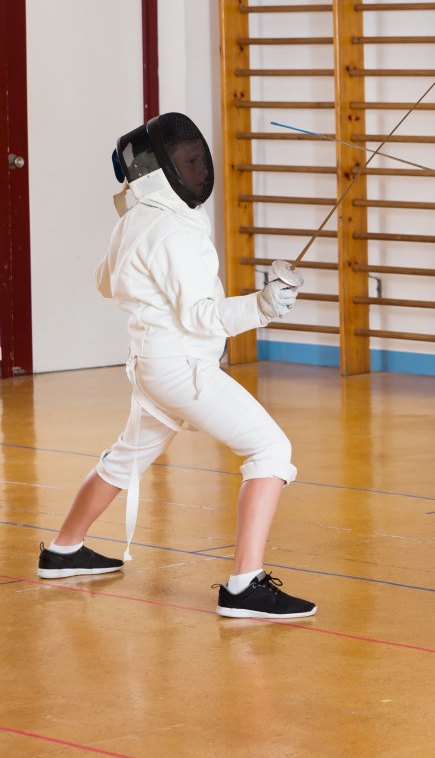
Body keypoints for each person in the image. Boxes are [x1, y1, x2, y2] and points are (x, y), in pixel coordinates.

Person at [37, 112, 314, 619]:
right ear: (158, 170)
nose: (197, 169)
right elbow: (201, 317)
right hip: (181, 368)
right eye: (184, 161)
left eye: (195, 158)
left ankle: (63, 550)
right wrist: (263, 305)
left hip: (150, 365)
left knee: (126, 458)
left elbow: (106, 282)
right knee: (271, 448)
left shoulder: (136, 218)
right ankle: (243, 587)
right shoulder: (171, 229)